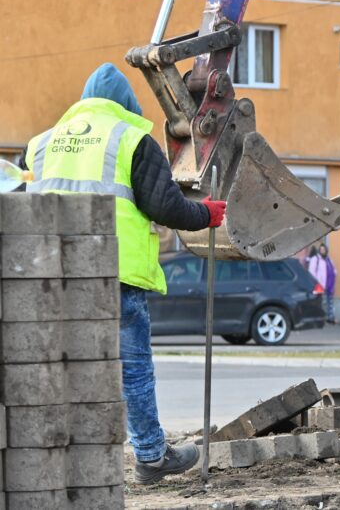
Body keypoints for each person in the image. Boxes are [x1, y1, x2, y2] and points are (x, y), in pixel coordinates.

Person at [24, 63, 225, 485]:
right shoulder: (131, 139)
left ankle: (58, 457)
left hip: (51, 277)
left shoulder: (40, 144)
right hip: (113, 273)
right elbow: (164, 207)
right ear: (125, 102)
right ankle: (151, 457)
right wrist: (205, 213)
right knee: (132, 368)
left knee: (63, 368)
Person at [307, 244, 337, 323]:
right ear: (319, 250)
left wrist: (334, 274)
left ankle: (330, 318)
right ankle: (319, 319)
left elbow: (333, 270)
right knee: (321, 303)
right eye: (321, 249)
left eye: (324, 249)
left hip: (330, 285)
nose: (322, 251)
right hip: (320, 285)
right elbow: (311, 272)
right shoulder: (315, 259)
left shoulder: (329, 259)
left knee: (329, 303)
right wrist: (316, 282)